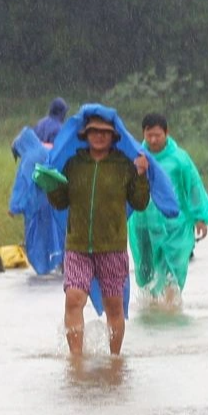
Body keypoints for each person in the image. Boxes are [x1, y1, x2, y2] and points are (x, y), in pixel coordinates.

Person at [36, 104, 161, 355]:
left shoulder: (124, 165)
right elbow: (61, 201)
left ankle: (115, 359)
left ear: (114, 136)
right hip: (78, 245)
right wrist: (50, 185)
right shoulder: (73, 164)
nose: (99, 136)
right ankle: (76, 360)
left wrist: (140, 175)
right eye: (94, 131)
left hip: (112, 247)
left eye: (104, 132)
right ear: (85, 134)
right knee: (73, 299)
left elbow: (139, 202)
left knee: (113, 306)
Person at [128, 112, 208, 301]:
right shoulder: (136, 158)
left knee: (171, 270)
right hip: (142, 224)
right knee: (145, 272)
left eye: (157, 135)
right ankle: (151, 311)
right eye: (149, 135)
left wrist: (200, 217)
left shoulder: (179, 159)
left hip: (174, 226)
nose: (153, 139)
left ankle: (170, 308)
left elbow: (193, 188)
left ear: (167, 132)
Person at [8, 125, 66, 275]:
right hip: (56, 201)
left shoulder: (28, 160)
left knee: (37, 237)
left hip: (37, 205)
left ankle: (42, 266)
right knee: (58, 234)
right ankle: (61, 260)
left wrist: (14, 207)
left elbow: (23, 185)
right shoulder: (47, 150)